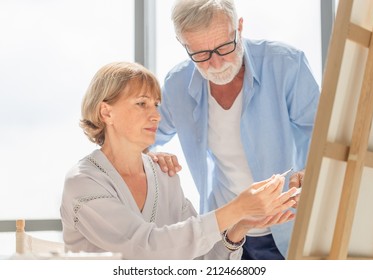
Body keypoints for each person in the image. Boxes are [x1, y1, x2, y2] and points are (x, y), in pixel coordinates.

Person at [60, 61, 297, 260]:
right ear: (106, 112)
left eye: (156, 104)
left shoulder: (163, 174)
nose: (155, 115)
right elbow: (144, 250)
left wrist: (240, 225)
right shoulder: (83, 183)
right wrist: (234, 208)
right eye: (141, 103)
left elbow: (201, 261)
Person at [150, 0, 320, 260]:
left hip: (289, 230)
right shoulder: (177, 84)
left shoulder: (286, 65)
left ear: (239, 27)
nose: (216, 64)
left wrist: (310, 171)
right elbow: (144, 135)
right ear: (183, 44)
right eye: (201, 55)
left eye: (224, 47)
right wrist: (150, 154)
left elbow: (320, 134)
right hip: (225, 236)